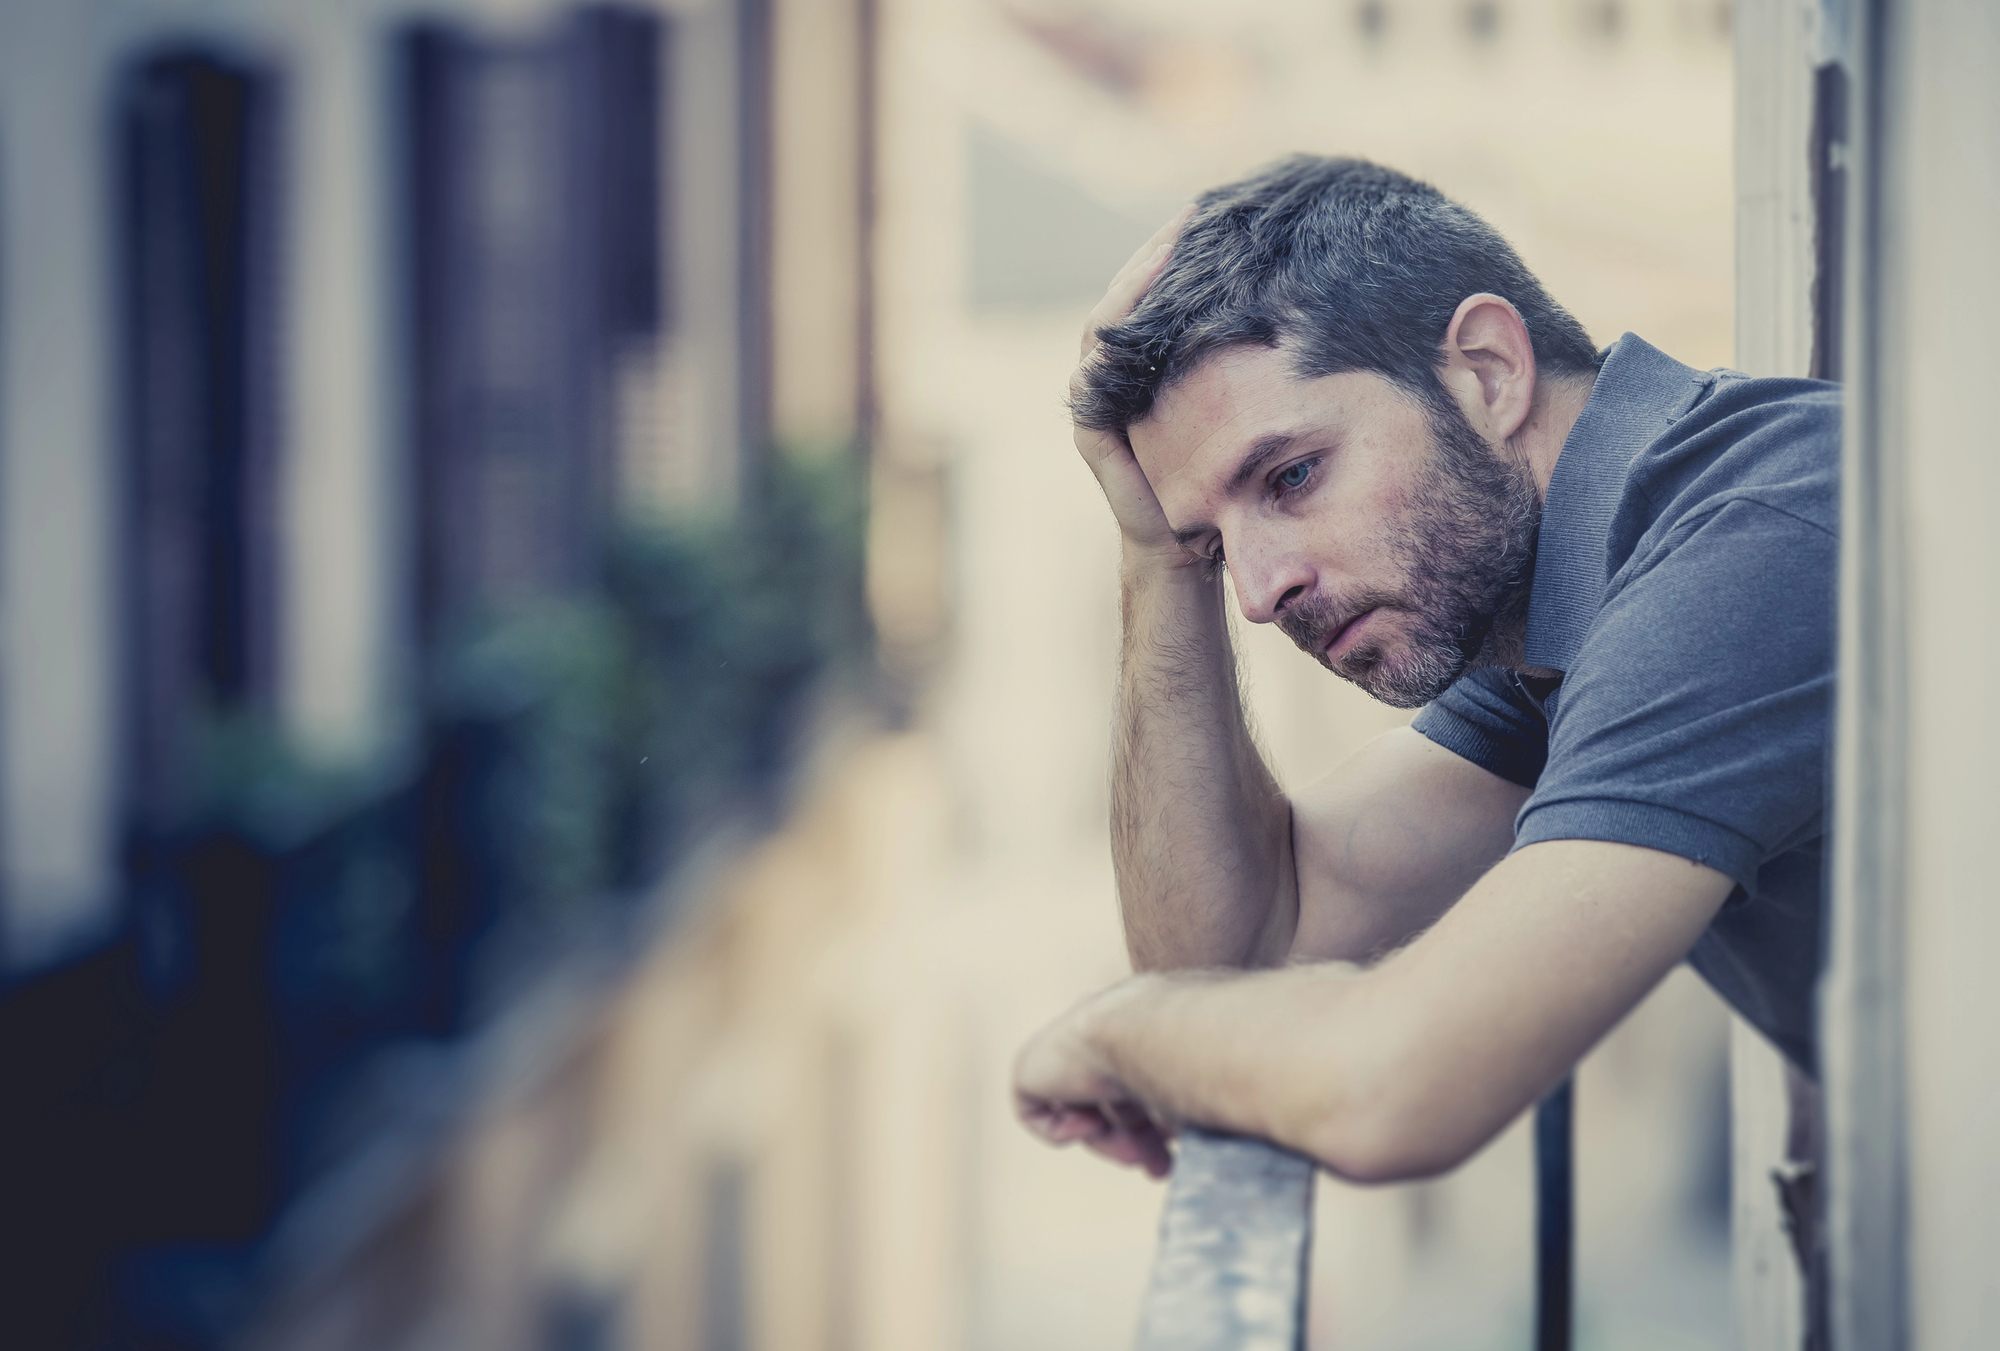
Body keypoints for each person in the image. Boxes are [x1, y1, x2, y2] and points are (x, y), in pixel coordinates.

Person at [1011, 156, 1837, 1187]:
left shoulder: (1745, 548)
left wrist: (1117, 1032)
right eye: (1217, 545)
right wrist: (1156, 555)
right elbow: (1238, 955)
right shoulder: (1558, 611)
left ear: (1487, 372)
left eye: (1292, 475)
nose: (1259, 594)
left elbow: (1389, 1092)